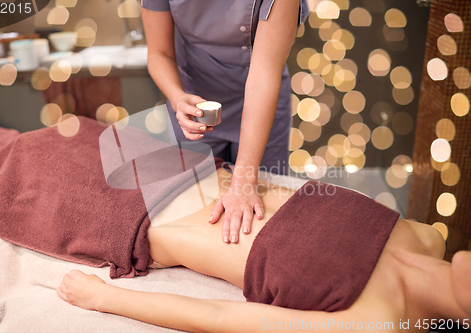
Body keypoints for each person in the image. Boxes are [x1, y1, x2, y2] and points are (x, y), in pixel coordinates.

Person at [57, 167, 471, 333]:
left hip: (142, 219)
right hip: (192, 167)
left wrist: (105, 298)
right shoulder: (427, 236)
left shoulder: (377, 321)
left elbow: (221, 317)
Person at [141, 0, 309, 244]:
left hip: (262, 102)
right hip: (194, 101)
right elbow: (159, 53)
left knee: (264, 216)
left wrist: (244, 182)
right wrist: (179, 99)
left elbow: (263, 76)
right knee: (198, 212)